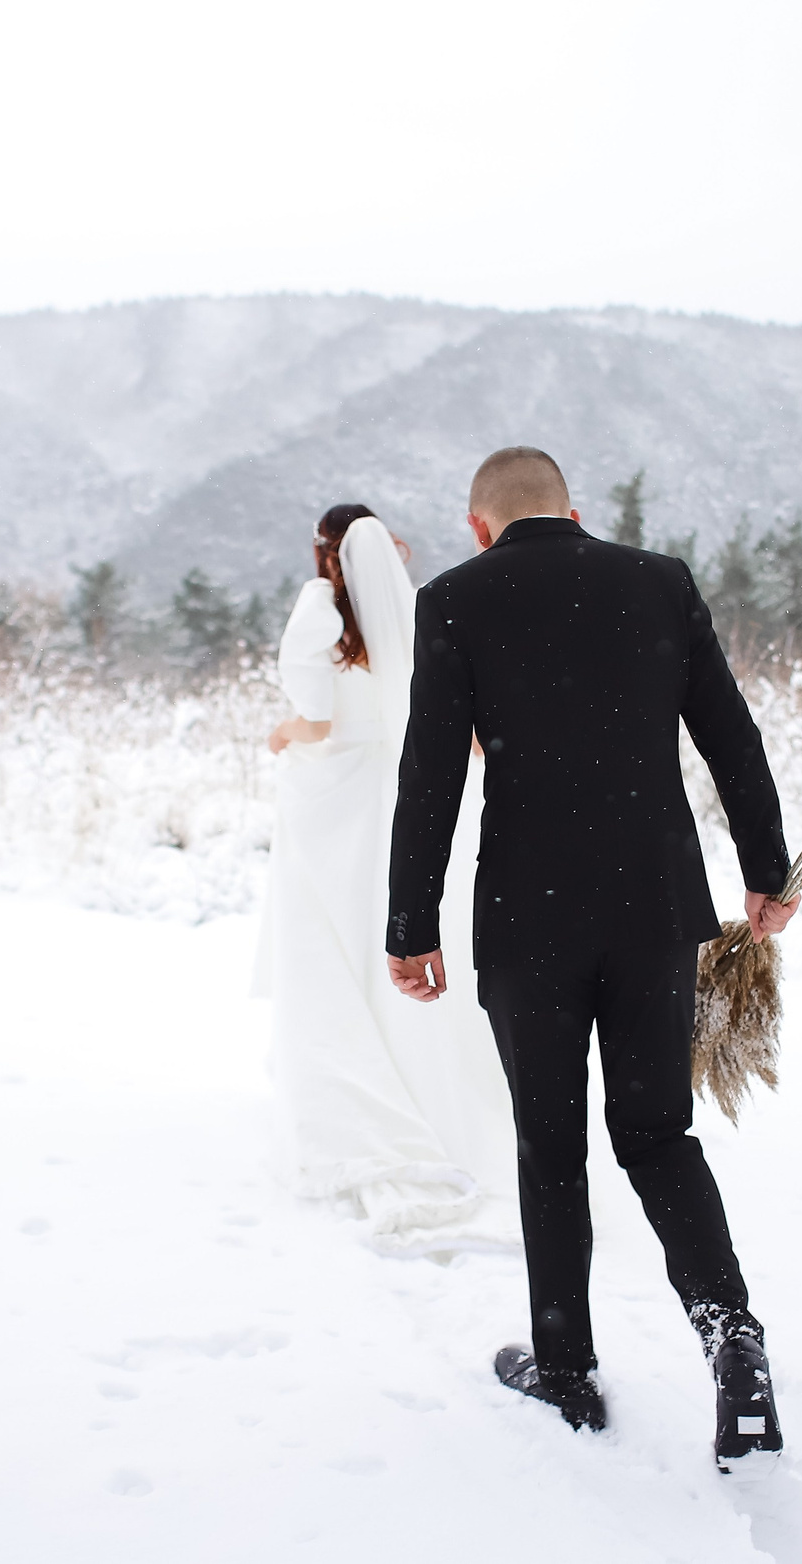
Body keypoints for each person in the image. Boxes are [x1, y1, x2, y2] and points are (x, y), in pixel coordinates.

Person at [384, 448, 799, 1474]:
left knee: (550, 1144)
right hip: (654, 906)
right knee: (658, 1133)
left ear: (478, 525)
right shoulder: (658, 581)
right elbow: (729, 736)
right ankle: (732, 1340)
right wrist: (767, 871)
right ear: (575, 512)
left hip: (529, 918)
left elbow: (429, 776)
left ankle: (566, 1368)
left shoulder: (452, 602)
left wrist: (410, 925)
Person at [253, 504, 515, 1253]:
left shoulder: (318, 607)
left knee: (329, 938)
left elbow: (317, 718)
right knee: (386, 927)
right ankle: (425, 1075)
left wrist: (279, 733)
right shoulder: (414, 606)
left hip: (334, 796)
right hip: (399, 790)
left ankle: (348, 1089)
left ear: (323, 551)